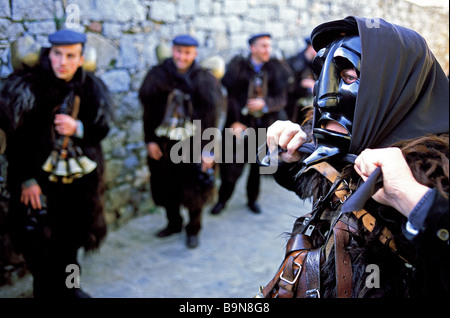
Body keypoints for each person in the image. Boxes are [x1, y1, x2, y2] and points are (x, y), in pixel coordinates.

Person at [262, 16, 448, 298]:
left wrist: (417, 202)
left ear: (397, 87)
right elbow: (313, 186)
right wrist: (286, 159)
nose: (324, 97)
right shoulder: (346, 144)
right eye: (321, 74)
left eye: (349, 77)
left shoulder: (437, 172)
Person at [0, 29, 113, 298]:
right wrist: (26, 180)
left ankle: (71, 289)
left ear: (80, 58)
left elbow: (101, 128)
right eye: (57, 54)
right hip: (38, 185)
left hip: (78, 184)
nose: (62, 62)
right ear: (49, 54)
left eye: (70, 56)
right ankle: (45, 293)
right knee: (39, 246)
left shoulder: (90, 88)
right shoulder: (29, 88)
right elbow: (13, 142)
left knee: (71, 243)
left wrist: (79, 127)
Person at [139, 35, 223, 248]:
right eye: (178, 51)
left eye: (187, 53)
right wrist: (150, 141)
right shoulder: (157, 76)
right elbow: (148, 114)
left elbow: (211, 119)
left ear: (194, 54)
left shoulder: (204, 80)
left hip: (194, 147)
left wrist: (208, 151)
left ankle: (193, 229)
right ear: (172, 51)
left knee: (194, 192)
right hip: (164, 146)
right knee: (166, 190)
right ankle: (174, 223)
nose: (182, 57)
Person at [209, 33, 292, 215]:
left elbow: (282, 98)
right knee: (230, 168)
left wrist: (266, 104)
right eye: (263, 46)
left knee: (257, 169)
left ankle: (252, 201)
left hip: (264, 128)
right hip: (239, 127)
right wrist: (236, 120)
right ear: (252, 48)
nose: (267, 50)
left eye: (269, 46)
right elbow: (230, 98)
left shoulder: (276, 70)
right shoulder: (238, 69)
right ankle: (222, 201)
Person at [285, 36, 316, 123]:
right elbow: (289, 85)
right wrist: (303, 85)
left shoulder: (317, 62)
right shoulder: (295, 62)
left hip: (309, 104)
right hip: (294, 105)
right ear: (310, 47)